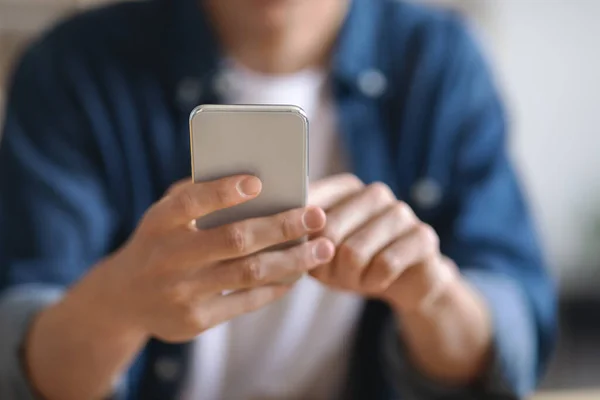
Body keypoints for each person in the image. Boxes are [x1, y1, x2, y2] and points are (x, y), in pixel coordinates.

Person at [0, 0, 556, 399]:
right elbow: (22, 360)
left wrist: (432, 297)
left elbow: (514, 331)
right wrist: (116, 306)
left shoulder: (442, 61)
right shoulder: (73, 67)